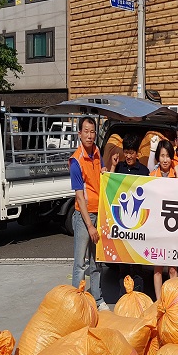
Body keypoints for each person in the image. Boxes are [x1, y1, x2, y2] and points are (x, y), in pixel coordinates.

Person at [70, 116, 110, 311]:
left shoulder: (96, 152)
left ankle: (97, 298)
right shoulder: (76, 161)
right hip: (85, 217)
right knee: (80, 263)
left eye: (92, 131)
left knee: (97, 262)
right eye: (85, 131)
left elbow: (99, 177)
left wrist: (106, 169)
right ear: (79, 134)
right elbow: (79, 197)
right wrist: (90, 225)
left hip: (99, 212)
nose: (89, 135)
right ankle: (76, 304)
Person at [149, 139, 178, 300]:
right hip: (158, 228)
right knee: (158, 268)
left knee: (173, 268)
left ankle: (173, 300)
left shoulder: (177, 175)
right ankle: (159, 301)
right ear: (157, 158)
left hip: (173, 227)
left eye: (168, 156)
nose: (165, 159)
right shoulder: (152, 176)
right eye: (162, 156)